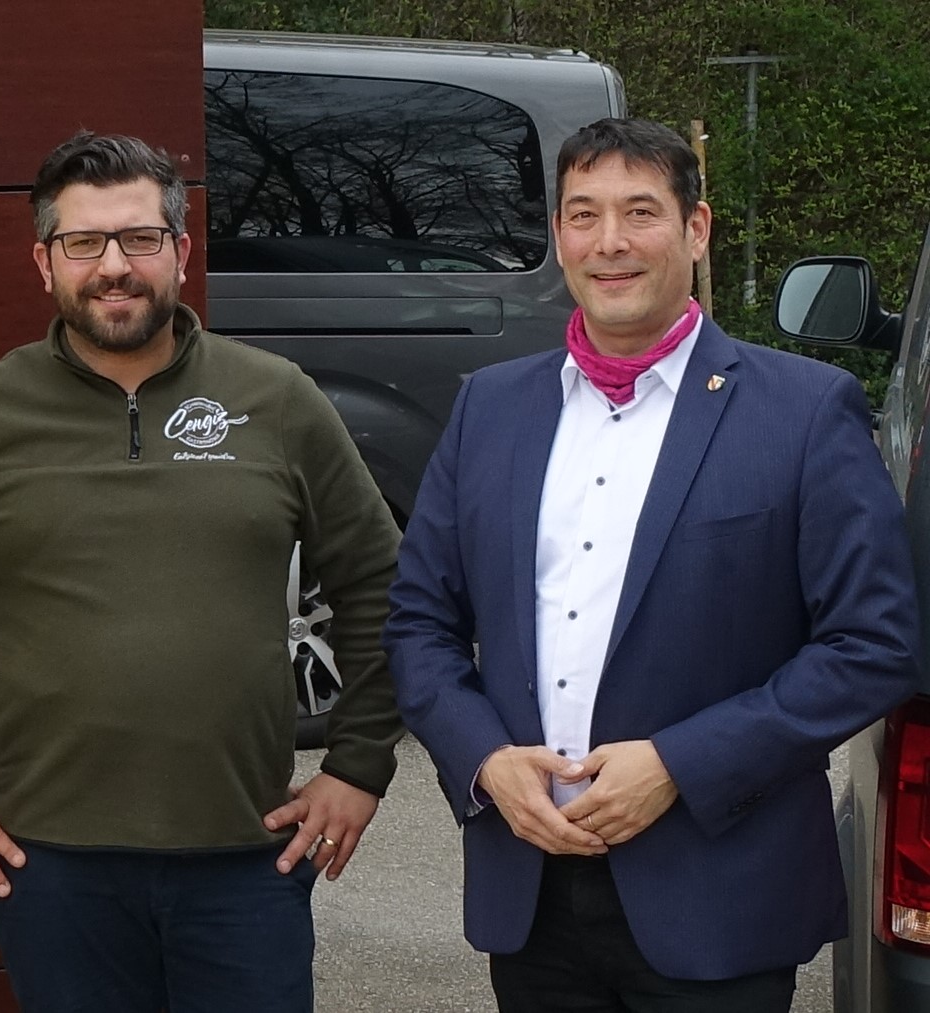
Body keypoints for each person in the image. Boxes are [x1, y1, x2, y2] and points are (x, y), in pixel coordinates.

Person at [384, 117, 919, 1013]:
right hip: (532, 893)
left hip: (720, 898)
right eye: (583, 215)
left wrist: (680, 763)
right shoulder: (491, 408)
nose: (611, 242)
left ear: (695, 229)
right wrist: (483, 760)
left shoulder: (802, 410)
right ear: (558, 236)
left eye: (640, 212)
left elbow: (876, 643)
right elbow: (418, 623)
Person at [0, 131, 402, 1013]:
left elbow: (383, 582)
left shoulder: (276, 399)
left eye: (140, 238)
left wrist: (361, 764)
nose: (114, 266)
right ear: (44, 262)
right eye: (84, 242)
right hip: (48, 865)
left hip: (247, 858)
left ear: (181, 252)